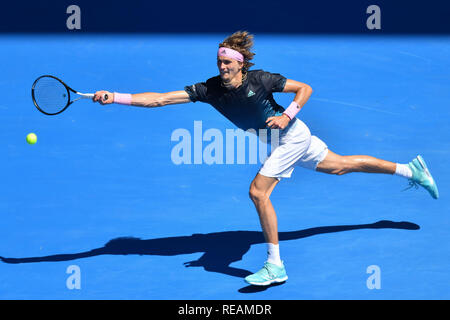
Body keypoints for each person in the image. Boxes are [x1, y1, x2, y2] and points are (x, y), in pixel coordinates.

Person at [93, 31, 439, 286]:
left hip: (291, 134)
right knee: (341, 166)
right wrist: (116, 97)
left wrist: (287, 115)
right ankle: (409, 169)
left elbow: (305, 89)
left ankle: (276, 265)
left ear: (241, 64)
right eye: (219, 62)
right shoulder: (209, 89)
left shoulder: (262, 79)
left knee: (258, 192)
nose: (222, 67)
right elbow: (160, 100)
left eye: (227, 62)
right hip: (280, 143)